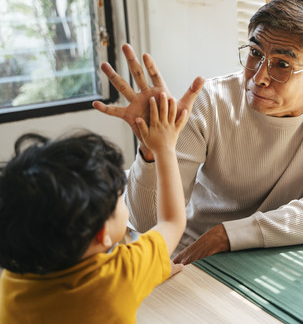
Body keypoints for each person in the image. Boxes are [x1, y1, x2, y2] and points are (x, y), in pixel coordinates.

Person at [94, 0, 303, 265]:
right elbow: (146, 222)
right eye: (255, 53)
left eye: (282, 64)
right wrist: (152, 152)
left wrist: (228, 233)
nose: (258, 77)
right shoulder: (211, 101)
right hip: (197, 252)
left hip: (274, 253)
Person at [0, 91, 201, 323]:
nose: (122, 199)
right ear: (102, 233)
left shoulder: (12, 281)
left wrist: (155, 269)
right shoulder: (120, 276)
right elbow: (172, 221)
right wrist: (165, 148)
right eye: (118, 197)